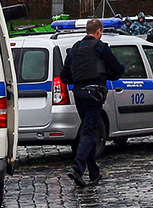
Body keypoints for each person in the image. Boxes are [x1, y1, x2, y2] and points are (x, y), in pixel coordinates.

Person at [59, 18, 124, 188]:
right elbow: (117, 68)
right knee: (89, 132)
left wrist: (80, 79)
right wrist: (105, 75)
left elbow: (64, 76)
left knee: (88, 131)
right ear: (99, 31)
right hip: (95, 93)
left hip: (79, 94)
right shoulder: (100, 47)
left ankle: (94, 172)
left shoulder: (74, 49)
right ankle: (77, 169)